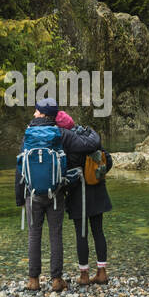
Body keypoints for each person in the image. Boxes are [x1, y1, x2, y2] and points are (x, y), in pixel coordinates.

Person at [15, 100, 99, 292]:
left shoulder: (28, 134)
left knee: (34, 234)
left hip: (32, 193)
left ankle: (33, 280)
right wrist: (91, 131)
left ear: (44, 114)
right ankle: (56, 280)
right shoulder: (62, 134)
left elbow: (20, 167)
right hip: (56, 193)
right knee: (55, 235)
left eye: (37, 111)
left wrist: (19, 197)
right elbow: (91, 144)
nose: (35, 113)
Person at [55, 110, 112, 286]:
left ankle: (84, 275)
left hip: (77, 193)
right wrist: (96, 175)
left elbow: (63, 171)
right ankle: (102, 272)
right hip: (97, 190)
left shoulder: (65, 142)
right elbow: (107, 160)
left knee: (82, 235)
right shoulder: (90, 137)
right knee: (98, 232)